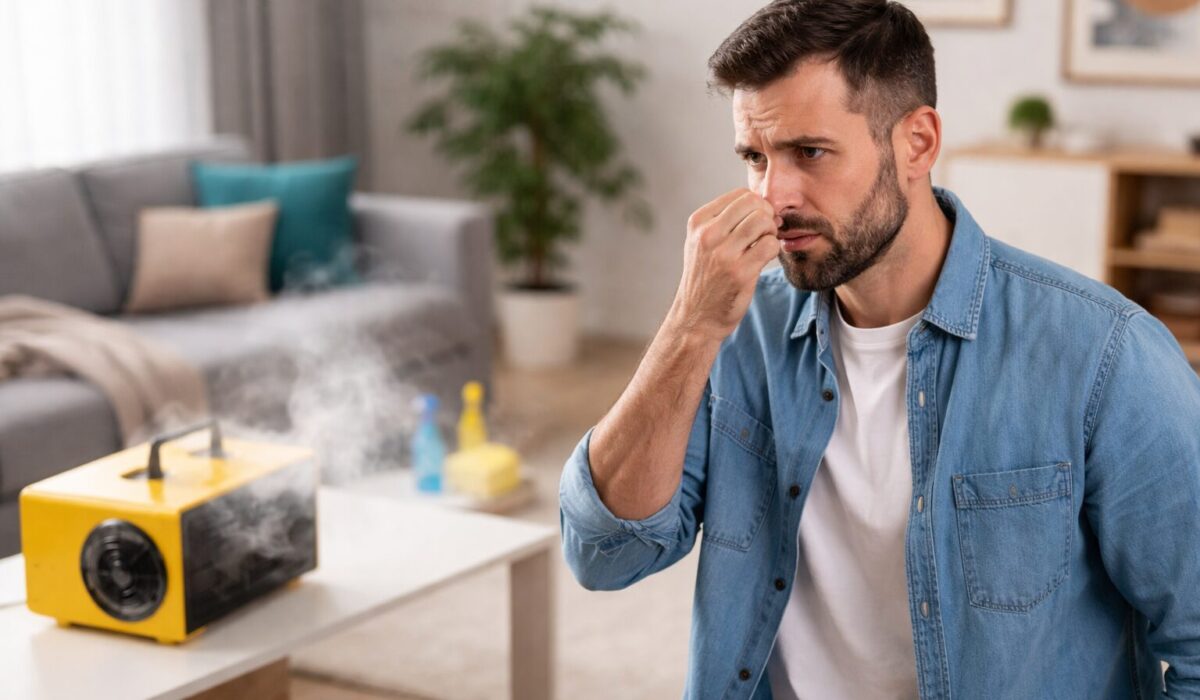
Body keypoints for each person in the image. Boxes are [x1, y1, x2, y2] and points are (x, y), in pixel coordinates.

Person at [557, 1, 1200, 698]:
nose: (773, 197)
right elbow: (605, 555)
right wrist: (689, 327)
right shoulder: (735, 328)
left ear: (918, 143)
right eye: (754, 157)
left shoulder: (1104, 354)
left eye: (810, 152)